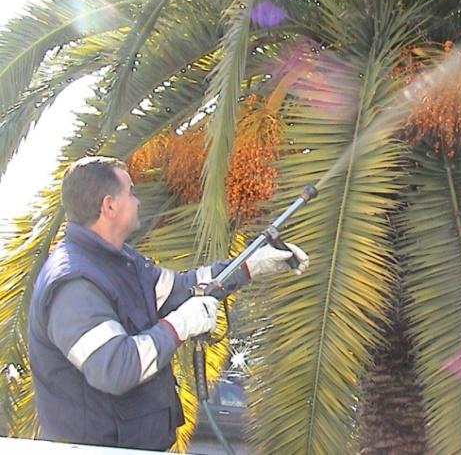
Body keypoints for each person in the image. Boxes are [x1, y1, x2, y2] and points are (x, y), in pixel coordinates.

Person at [27, 156, 309, 450]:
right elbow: (115, 368)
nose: (138, 202)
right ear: (109, 206)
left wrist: (251, 265)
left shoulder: (122, 262)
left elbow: (182, 288)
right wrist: (179, 325)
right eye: (131, 193)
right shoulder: (74, 282)